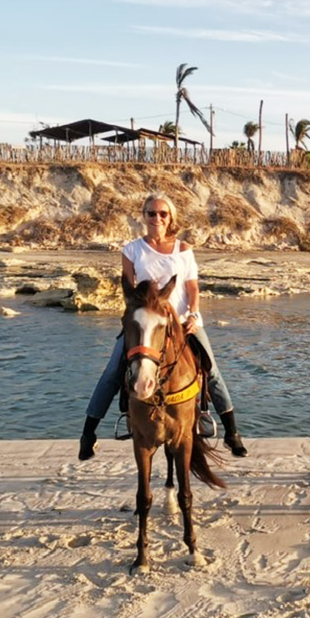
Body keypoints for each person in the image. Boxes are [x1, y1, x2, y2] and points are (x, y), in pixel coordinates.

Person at [78, 195, 249, 460]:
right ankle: (88, 434)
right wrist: (134, 318)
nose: (157, 218)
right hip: (146, 323)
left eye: (162, 214)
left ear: (170, 218)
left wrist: (194, 314)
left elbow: (192, 287)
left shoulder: (183, 248)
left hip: (181, 321)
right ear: (143, 216)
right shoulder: (131, 250)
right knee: (113, 370)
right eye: (151, 213)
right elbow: (129, 291)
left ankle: (231, 432)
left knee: (211, 368)